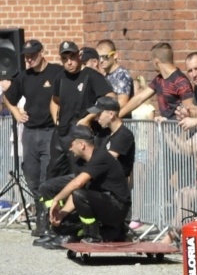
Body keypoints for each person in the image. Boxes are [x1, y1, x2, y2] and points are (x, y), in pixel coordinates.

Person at [2, 39, 63, 236]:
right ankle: (40, 215)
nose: (29, 59)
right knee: (31, 175)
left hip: (49, 132)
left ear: (41, 53)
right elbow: (6, 97)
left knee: (48, 176)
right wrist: (16, 112)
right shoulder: (23, 76)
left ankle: (46, 222)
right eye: (26, 56)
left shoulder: (56, 72)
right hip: (30, 132)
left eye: (32, 55)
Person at [48, 125, 131, 244]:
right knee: (60, 224)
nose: (70, 149)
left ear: (82, 144)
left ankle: (93, 236)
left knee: (79, 194)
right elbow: (77, 193)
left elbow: (77, 184)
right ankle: (92, 234)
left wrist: (56, 199)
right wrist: (62, 214)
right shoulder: (81, 162)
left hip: (117, 207)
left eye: (71, 145)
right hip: (99, 204)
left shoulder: (101, 156)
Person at [50, 40, 115, 179]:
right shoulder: (60, 77)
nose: (69, 62)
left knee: (79, 173)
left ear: (79, 55)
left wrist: (88, 118)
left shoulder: (90, 75)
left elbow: (109, 98)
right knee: (55, 172)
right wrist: (56, 119)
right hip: (62, 132)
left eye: (72, 57)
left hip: (82, 133)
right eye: (65, 59)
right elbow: (55, 100)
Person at [118, 42, 194, 120]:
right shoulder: (158, 79)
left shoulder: (181, 82)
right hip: (165, 130)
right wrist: (117, 115)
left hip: (180, 130)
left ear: (156, 62)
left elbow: (189, 112)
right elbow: (139, 98)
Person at [97, 39, 134, 108]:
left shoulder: (122, 75)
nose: (101, 60)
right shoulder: (105, 75)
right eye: (99, 57)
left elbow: (122, 102)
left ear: (115, 55)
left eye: (105, 57)